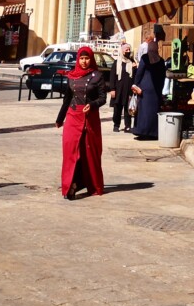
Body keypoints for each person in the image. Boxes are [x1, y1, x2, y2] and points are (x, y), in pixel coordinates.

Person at [54, 46, 105, 199]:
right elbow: (67, 99)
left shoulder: (97, 76)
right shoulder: (72, 76)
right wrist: (60, 118)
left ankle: (84, 183)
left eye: (87, 58)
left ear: (91, 59)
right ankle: (70, 185)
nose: (84, 61)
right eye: (81, 58)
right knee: (71, 151)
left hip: (90, 118)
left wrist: (93, 104)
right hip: (72, 116)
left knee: (88, 152)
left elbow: (103, 98)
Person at [130, 39, 167, 140]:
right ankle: (153, 132)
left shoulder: (145, 58)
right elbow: (162, 76)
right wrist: (160, 89)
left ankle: (142, 131)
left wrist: (135, 84)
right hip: (155, 89)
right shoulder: (161, 60)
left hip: (144, 89)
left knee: (143, 111)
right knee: (153, 111)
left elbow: (139, 72)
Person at [109, 43, 136, 132]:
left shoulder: (132, 62)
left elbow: (135, 76)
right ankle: (116, 125)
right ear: (122, 51)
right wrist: (112, 89)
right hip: (118, 89)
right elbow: (112, 76)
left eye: (129, 50)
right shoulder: (117, 62)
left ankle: (127, 126)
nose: (128, 51)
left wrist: (135, 68)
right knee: (117, 107)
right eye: (126, 50)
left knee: (128, 108)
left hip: (128, 89)